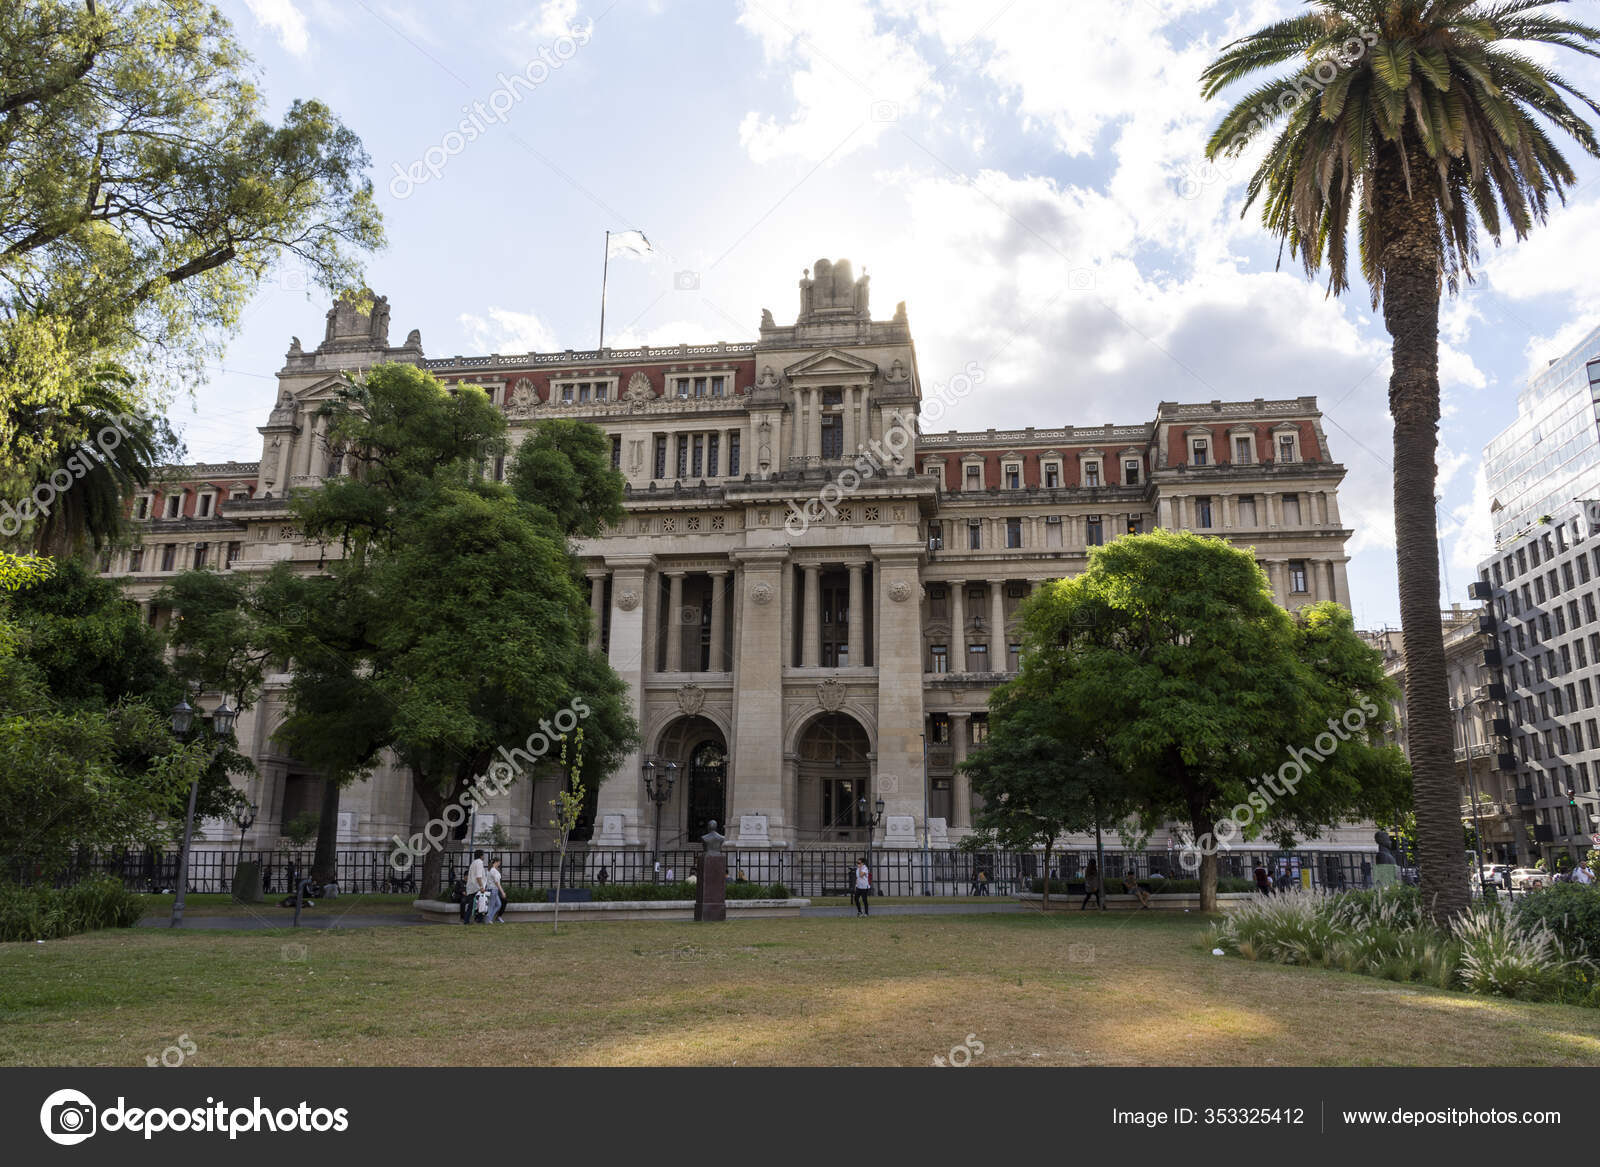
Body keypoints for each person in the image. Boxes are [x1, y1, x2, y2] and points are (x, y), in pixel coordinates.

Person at [465, 849, 488, 924]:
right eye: (483, 855)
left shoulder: (473, 863)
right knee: (480, 903)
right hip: (477, 887)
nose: (484, 856)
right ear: (481, 856)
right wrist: (481, 887)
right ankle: (478, 920)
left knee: (472, 905)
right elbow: (478, 876)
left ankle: (468, 920)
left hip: (472, 887)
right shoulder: (479, 862)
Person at [485, 856, 505, 923]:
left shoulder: (491, 870)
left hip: (493, 889)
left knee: (498, 904)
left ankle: (489, 918)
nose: (499, 864)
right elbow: (497, 883)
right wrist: (502, 892)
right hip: (493, 889)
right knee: (492, 905)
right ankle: (488, 919)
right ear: (496, 862)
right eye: (499, 862)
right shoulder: (493, 870)